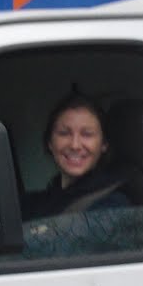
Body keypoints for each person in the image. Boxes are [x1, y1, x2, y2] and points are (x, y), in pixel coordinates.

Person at [22, 92, 131, 220]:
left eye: (87, 134)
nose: (75, 145)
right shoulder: (34, 204)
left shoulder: (112, 205)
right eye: (64, 133)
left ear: (104, 144)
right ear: (50, 143)